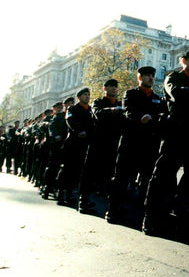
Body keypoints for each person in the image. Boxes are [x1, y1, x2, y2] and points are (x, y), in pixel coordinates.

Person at [142, 51, 189, 234]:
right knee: (162, 176)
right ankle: (150, 218)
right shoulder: (173, 77)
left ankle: (188, 211)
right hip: (175, 132)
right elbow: (175, 92)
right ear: (183, 61)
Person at [107, 67, 167, 224]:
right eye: (147, 76)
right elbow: (128, 110)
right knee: (122, 178)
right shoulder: (130, 94)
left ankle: (141, 210)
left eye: (153, 76)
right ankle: (113, 211)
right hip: (131, 142)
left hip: (150, 145)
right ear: (140, 78)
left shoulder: (157, 98)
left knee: (147, 179)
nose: (151, 78)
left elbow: (161, 115)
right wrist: (141, 117)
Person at [79, 79, 125, 214]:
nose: (114, 89)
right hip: (98, 142)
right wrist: (112, 111)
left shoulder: (120, 104)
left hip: (114, 143)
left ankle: (109, 202)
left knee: (110, 173)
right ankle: (84, 199)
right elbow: (98, 113)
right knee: (90, 172)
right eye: (111, 87)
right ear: (104, 88)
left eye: (116, 87)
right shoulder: (98, 102)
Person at [57, 88, 95, 207]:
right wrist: (79, 130)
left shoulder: (90, 110)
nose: (87, 97)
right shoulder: (72, 109)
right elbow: (70, 120)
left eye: (89, 95)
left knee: (80, 170)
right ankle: (62, 194)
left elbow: (93, 124)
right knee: (68, 169)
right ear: (79, 97)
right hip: (73, 143)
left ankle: (73, 194)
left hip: (85, 143)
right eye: (85, 95)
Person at [41, 102, 67, 200]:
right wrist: (55, 136)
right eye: (57, 107)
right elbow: (51, 129)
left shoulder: (65, 116)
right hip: (54, 146)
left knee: (62, 168)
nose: (60, 109)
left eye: (61, 107)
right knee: (52, 167)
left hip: (64, 145)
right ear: (53, 108)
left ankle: (59, 189)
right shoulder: (51, 119)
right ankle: (47, 188)